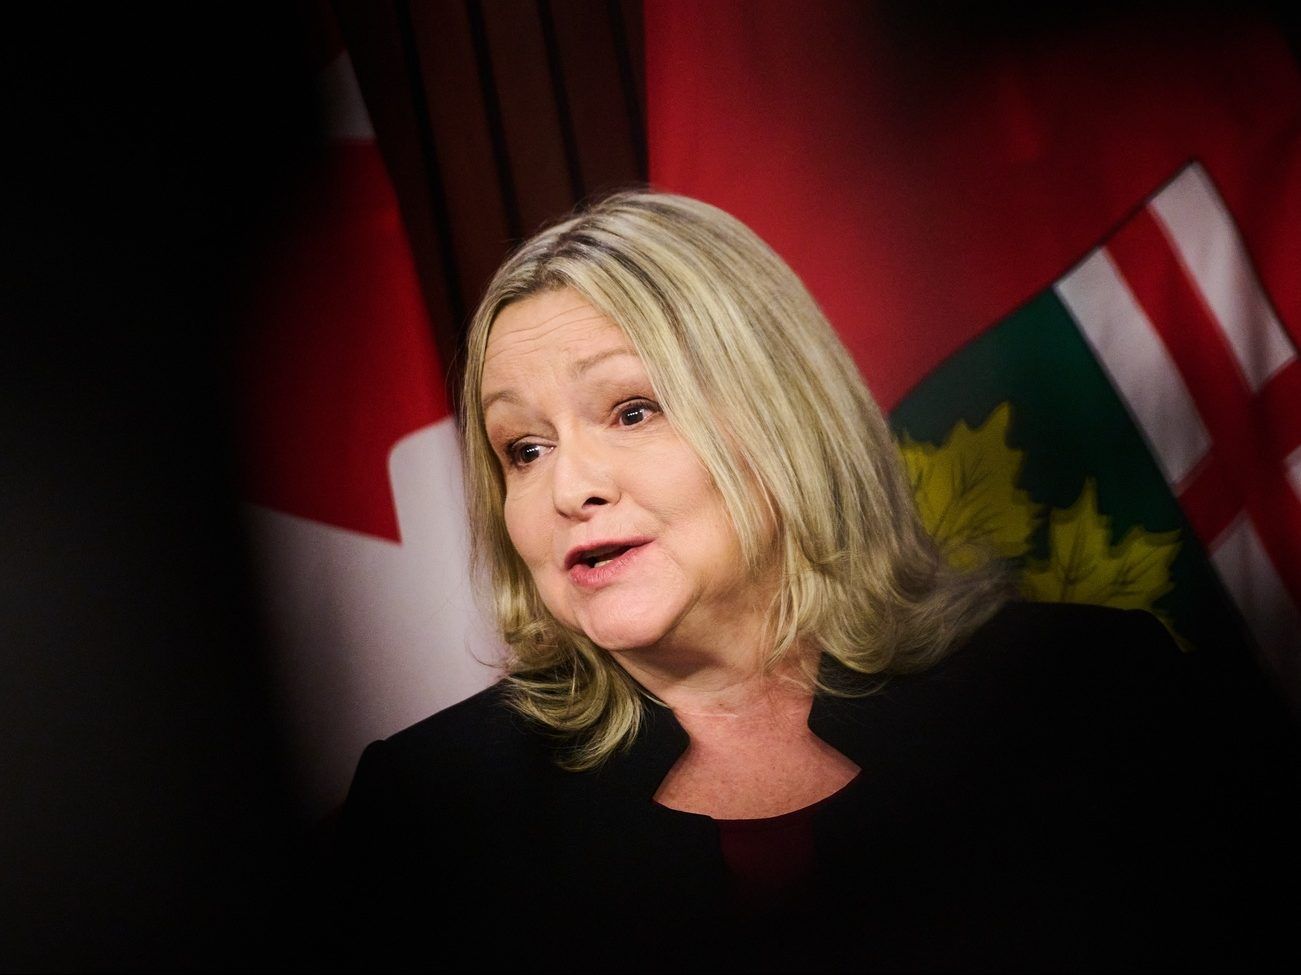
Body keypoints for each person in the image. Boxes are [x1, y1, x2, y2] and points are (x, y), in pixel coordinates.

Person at [337, 191, 1298, 973]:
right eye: (523, 447)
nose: (567, 488)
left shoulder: (1092, 689)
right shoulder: (428, 808)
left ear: (783, 417)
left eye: (632, 410)